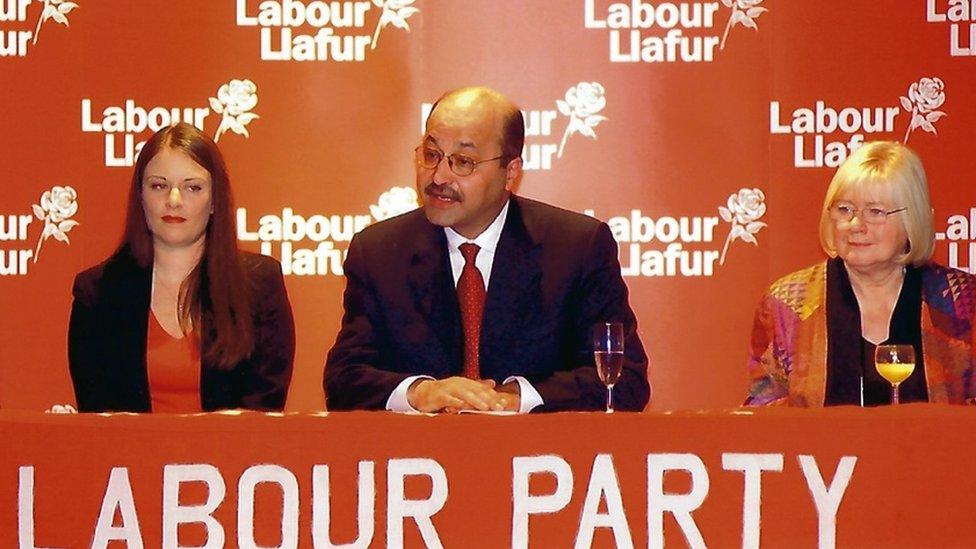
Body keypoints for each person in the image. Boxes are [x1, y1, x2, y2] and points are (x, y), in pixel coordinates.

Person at [325, 86, 650, 413]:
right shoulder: (380, 252)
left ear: (510, 173)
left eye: (463, 162)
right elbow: (344, 379)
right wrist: (417, 393)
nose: (438, 176)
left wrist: (515, 400)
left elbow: (624, 380)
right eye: (431, 154)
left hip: (535, 456)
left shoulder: (576, 247)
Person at [68, 123, 295, 412]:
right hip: (132, 456)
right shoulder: (97, 292)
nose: (173, 201)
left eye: (192, 187)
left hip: (231, 455)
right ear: (141, 195)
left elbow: (264, 408)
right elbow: (98, 411)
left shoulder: (261, 284)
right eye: (159, 185)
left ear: (215, 201)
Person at [747, 141, 976, 406]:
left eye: (875, 211)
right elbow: (761, 416)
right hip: (824, 448)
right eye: (845, 210)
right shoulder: (788, 303)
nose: (856, 225)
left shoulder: (962, 300)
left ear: (913, 218)